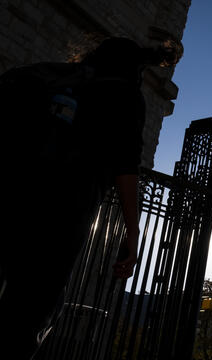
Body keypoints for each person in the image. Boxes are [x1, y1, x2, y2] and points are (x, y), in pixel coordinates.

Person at [0, 37, 178, 359]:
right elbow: (126, 165)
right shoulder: (124, 94)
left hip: (8, 194)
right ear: (135, 69)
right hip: (61, 211)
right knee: (27, 313)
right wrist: (133, 231)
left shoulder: (48, 76)